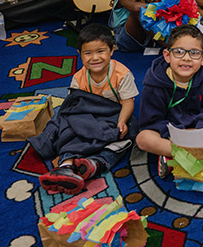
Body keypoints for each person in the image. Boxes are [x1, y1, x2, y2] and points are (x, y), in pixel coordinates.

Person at [34, 24, 138, 194]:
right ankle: (66, 166)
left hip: (113, 115)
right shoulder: (78, 77)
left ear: (112, 51)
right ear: (80, 55)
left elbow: (128, 102)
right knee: (69, 129)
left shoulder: (122, 74)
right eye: (88, 53)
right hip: (86, 116)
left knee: (127, 135)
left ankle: (95, 164)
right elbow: (74, 104)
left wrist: (122, 121)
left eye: (101, 51)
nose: (95, 58)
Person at [136, 25, 203, 176]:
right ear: (167, 55)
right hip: (171, 134)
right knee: (143, 139)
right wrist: (178, 134)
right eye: (178, 52)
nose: (186, 58)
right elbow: (151, 121)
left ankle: (175, 157)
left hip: (201, 129)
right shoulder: (154, 84)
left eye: (194, 53)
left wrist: (199, 128)